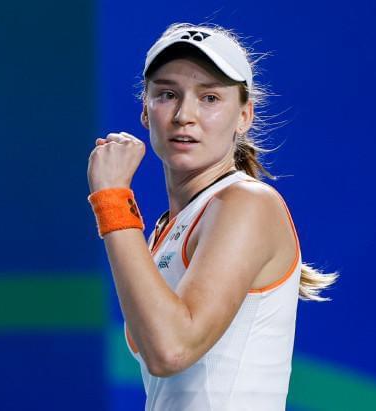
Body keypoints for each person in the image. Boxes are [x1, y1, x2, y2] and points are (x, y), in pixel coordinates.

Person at [87, 22, 337, 410]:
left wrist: (112, 200)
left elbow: (172, 349)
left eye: (210, 98)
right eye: (167, 94)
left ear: (244, 116)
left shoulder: (247, 202)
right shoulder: (168, 229)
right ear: (145, 111)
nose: (184, 115)